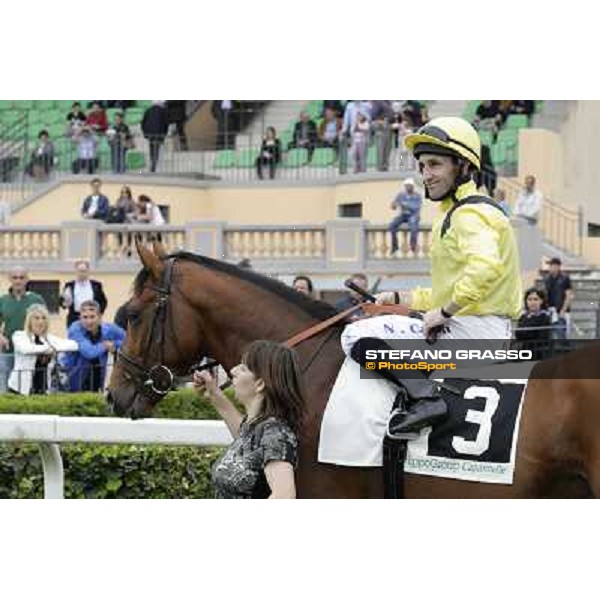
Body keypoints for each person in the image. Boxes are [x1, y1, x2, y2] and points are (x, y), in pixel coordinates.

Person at [342, 116, 522, 435]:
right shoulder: (466, 211)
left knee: (354, 335)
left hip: (473, 332)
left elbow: (486, 269)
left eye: (435, 164)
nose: (426, 175)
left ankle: (426, 401)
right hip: (481, 329)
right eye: (423, 166)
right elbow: (449, 289)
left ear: (464, 167)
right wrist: (398, 299)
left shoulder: (469, 213)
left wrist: (444, 312)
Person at [192, 340, 303, 499]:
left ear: (259, 384)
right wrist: (214, 394)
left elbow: (284, 496)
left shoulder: (275, 435)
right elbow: (247, 444)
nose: (233, 370)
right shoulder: (256, 429)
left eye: (243, 368)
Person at [8, 304, 78, 396]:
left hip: (42, 389)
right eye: (36, 318)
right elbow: (26, 349)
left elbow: (74, 345)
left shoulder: (48, 338)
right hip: (20, 389)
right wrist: (48, 349)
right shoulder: (19, 335)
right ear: (29, 321)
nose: (40, 321)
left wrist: (53, 347)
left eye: (44, 318)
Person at [0, 267, 47, 392]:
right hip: (9, 350)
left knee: (28, 386)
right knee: (6, 384)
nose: (18, 281)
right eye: (15, 277)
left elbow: (45, 323)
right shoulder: (3, 300)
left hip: (31, 350)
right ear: (10, 279)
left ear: (27, 279)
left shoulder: (36, 299)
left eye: (21, 277)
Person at [63, 300, 125, 392]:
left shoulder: (109, 329)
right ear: (80, 317)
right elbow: (89, 352)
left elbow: (129, 340)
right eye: (85, 317)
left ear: (100, 317)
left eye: (92, 317)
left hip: (98, 381)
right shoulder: (75, 329)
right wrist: (105, 345)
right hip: (74, 383)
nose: (89, 321)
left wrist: (115, 344)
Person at [60, 260, 108, 328]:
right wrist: (65, 302)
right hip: (75, 318)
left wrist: (98, 314)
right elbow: (62, 304)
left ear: (88, 271)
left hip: (92, 318)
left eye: (84, 271)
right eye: (79, 271)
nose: (82, 273)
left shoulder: (96, 285)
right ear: (76, 271)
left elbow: (103, 302)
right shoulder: (69, 285)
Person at [514, 288, 552, 360]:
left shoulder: (544, 317)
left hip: (538, 354)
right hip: (523, 353)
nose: (532, 302)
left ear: (541, 301)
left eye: (535, 299)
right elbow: (518, 334)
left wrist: (526, 334)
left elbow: (542, 337)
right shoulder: (523, 316)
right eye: (530, 299)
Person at [388, 177, 422, 255]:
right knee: (392, 225)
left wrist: (405, 205)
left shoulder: (417, 196)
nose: (407, 187)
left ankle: (413, 246)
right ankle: (394, 247)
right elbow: (394, 205)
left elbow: (415, 207)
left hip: (413, 215)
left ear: (413, 186)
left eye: (409, 186)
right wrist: (393, 205)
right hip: (403, 215)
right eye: (406, 186)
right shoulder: (401, 195)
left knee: (413, 227)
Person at [543, 257, 574, 340]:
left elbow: (569, 295)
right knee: (550, 334)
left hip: (561, 310)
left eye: (552, 265)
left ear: (557, 266)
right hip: (551, 310)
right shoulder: (547, 278)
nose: (550, 267)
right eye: (550, 265)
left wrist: (563, 310)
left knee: (561, 334)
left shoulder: (564, 278)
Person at [141, 101, 169, 172]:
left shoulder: (148, 110)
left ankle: (152, 162)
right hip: (159, 133)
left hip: (150, 134)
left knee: (152, 148)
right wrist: (164, 134)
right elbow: (166, 123)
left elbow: (143, 122)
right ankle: (154, 163)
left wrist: (145, 133)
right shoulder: (163, 111)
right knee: (156, 149)